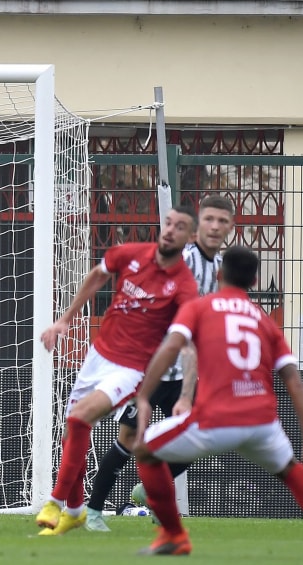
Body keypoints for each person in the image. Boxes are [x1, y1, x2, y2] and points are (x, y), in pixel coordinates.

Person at [131, 247, 303, 559]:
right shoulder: (265, 322)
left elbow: (171, 348)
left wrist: (144, 396)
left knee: (144, 449)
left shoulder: (199, 307)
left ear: (219, 275)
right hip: (261, 423)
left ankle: (174, 535)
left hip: (215, 420)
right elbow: (294, 382)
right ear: (254, 281)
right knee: (290, 470)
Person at [35, 203, 199, 536]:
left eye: (179, 227)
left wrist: (187, 393)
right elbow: (98, 276)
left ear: (190, 237)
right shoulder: (131, 253)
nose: (170, 230)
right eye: (168, 223)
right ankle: (77, 511)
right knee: (71, 434)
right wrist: (64, 320)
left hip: (133, 369)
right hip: (98, 356)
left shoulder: (183, 285)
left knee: (81, 417)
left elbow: (187, 341)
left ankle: (55, 502)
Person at [84, 194, 235, 530]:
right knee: (127, 439)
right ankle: (93, 511)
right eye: (209, 219)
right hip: (150, 368)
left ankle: (151, 489)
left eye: (222, 221)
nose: (214, 227)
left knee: (198, 438)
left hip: (184, 372)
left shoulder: (219, 268)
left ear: (230, 228)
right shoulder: (181, 261)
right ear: (197, 228)